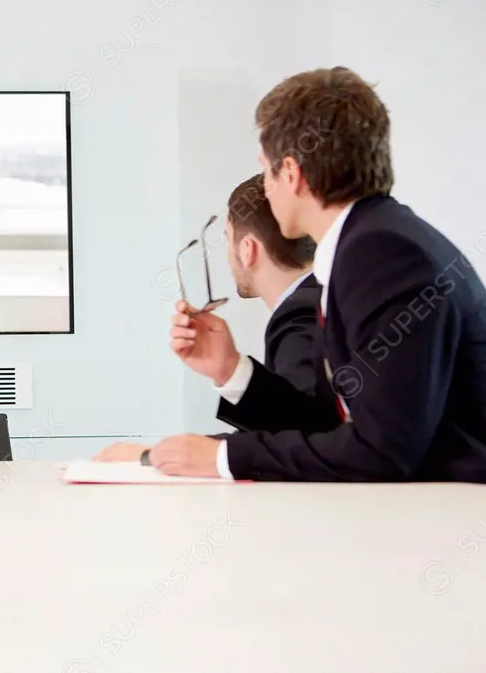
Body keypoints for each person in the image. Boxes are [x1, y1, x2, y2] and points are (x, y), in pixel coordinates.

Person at [147, 66, 486, 483]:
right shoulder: (371, 242)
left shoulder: (384, 254)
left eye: (268, 171)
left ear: (291, 174)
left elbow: (382, 453)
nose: (266, 190)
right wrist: (231, 368)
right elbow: (329, 428)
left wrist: (225, 458)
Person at [94, 173, 330, 462]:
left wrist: (152, 455)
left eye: (229, 240)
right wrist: (228, 369)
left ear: (247, 250)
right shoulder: (318, 299)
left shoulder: (300, 315)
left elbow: (304, 439)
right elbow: (297, 426)